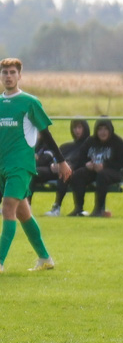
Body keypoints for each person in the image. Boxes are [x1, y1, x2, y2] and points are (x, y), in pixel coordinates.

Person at [0, 57, 71, 273]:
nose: (8, 76)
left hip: (21, 166)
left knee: (7, 208)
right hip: (2, 167)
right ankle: (45, 258)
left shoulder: (30, 102)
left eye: (12, 72)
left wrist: (61, 161)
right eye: (5, 73)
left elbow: (46, 134)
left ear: (20, 75)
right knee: (23, 213)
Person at [67, 118, 123, 217]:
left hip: (115, 172)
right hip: (93, 170)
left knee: (102, 175)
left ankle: (98, 209)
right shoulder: (90, 141)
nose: (102, 132)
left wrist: (104, 166)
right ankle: (78, 208)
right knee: (78, 174)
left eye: (105, 129)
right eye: (100, 129)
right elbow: (81, 158)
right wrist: (87, 165)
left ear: (110, 130)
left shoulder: (118, 142)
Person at [43, 118, 90, 216]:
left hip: (75, 173)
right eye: (74, 128)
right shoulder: (66, 146)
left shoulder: (88, 146)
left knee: (64, 173)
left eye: (79, 127)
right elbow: (56, 157)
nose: (76, 130)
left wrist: (66, 166)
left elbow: (81, 162)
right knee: (36, 172)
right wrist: (53, 165)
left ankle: (57, 207)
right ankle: (25, 205)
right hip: (58, 170)